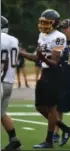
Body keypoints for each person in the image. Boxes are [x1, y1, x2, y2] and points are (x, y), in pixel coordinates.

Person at [19, 9, 70, 148]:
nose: (43, 25)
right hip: (45, 72)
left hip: (55, 73)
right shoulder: (42, 35)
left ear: (54, 23)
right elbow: (37, 57)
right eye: (42, 22)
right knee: (39, 106)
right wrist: (21, 53)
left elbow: (54, 62)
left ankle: (49, 141)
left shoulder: (59, 36)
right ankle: (66, 129)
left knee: (51, 108)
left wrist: (42, 57)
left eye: (46, 22)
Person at [1, 16, 22, 150]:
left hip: (1, 80)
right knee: (2, 113)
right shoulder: (14, 40)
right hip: (9, 81)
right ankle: (14, 140)